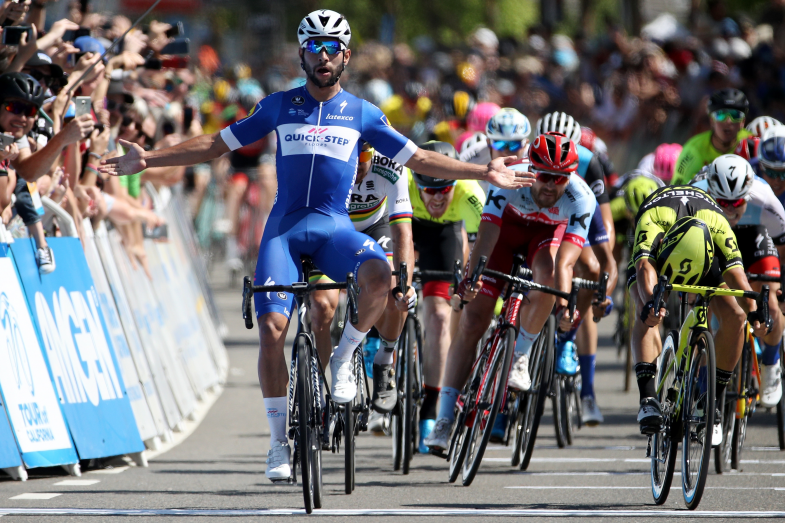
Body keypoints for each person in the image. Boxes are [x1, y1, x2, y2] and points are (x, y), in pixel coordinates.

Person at [101, 9, 528, 483]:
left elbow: (422, 157)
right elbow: (212, 147)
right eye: (314, 47)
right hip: (284, 231)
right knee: (271, 330)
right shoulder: (278, 105)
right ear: (302, 54)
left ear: (345, 56)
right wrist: (147, 159)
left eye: (332, 49)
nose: (323, 56)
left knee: (380, 276)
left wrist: (484, 171)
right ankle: (278, 442)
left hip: (333, 229)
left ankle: (345, 358)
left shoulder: (362, 113)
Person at [424, 132, 597, 451]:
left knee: (547, 275)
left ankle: (520, 355)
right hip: (503, 234)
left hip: (543, 239)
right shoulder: (511, 177)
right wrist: (473, 278)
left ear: (570, 177)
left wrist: (565, 306)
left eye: (560, 179)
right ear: (532, 167)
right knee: (472, 324)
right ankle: (445, 419)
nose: (550, 185)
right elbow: (487, 233)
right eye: (544, 175)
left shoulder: (581, 198)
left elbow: (567, 264)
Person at [629, 184, 767, 446]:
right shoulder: (654, 218)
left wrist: (755, 312)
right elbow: (645, 266)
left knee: (736, 316)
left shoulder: (718, 224)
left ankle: (711, 401)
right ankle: (647, 397)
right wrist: (650, 303)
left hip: (704, 249)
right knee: (643, 307)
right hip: (656, 249)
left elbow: (739, 278)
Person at [309, 140, 416, 419]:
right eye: (348, 163)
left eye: (361, 161)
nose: (356, 169)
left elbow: (403, 232)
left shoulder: (391, 168)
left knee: (394, 289)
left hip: (373, 227)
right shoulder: (320, 164)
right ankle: (319, 394)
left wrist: (406, 285)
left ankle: (384, 359)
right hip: (329, 231)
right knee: (321, 307)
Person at [536, 111, 616, 425]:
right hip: (542, 222)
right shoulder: (531, 158)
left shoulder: (589, 161)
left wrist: (602, 273)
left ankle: (587, 394)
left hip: (576, 221)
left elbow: (604, 221)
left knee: (592, 270)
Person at [407, 140, 486, 452]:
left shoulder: (469, 194)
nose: (437, 198)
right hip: (407, 227)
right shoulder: (403, 184)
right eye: (429, 190)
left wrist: (471, 282)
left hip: (444, 237)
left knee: (440, 315)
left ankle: (430, 405)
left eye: (444, 190)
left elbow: (482, 251)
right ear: (417, 184)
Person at [691, 155, 785, 407]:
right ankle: (705, 388)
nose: (730, 209)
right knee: (715, 310)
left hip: (752, 236)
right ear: (711, 192)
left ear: (748, 194)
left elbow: (782, 250)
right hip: (709, 238)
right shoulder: (696, 196)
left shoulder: (765, 200)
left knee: (771, 304)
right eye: (723, 202)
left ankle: (770, 363)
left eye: (737, 202)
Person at [671, 88, 752, 185]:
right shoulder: (693, 149)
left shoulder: (751, 143)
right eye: (721, 115)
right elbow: (677, 187)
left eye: (735, 115)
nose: (728, 121)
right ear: (712, 120)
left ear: (742, 122)